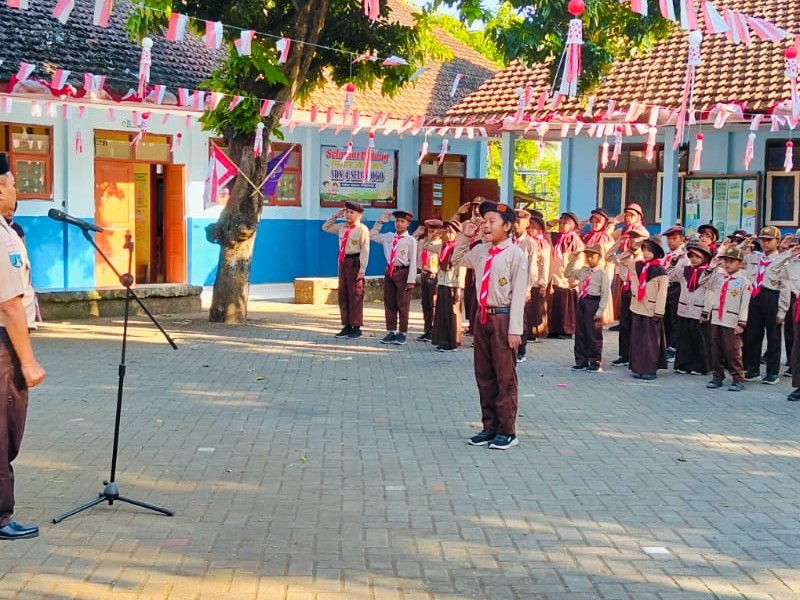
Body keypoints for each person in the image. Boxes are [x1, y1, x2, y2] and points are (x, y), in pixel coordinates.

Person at [454, 201, 528, 450]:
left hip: (503, 318)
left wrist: (515, 329)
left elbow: (519, 294)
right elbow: (457, 259)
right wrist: (465, 236)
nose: (485, 226)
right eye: (484, 221)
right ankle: (489, 427)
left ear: (507, 226)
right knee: (484, 374)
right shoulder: (481, 251)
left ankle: (507, 431)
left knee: (504, 376)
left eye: (492, 221)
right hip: (482, 316)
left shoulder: (515, 254)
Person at [0, 152, 46, 539]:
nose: (17, 191)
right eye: (13, 184)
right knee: (4, 432)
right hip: (3, 345)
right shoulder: (2, 237)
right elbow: (10, 305)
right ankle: (1, 517)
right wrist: (28, 362)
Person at [742, 226, 789, 384]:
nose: (765, 243)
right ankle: (752, 369)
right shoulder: (754, 257)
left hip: (772, 297)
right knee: (753, 335)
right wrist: (744, 244)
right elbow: (736, 256)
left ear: (778, 242)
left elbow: (785, 287)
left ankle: (772, 372)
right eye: (762, 240)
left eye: (769, 240)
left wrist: (782, 310)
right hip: (755, 296)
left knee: (773, 336)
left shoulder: (782, 261)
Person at [701, 246, 752, 392]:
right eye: (726, 261)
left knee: (733, 351)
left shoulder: (743, 282)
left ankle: (738, 378)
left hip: (732, 321)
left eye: (732, 261)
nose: (728, 264)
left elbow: (744, 305)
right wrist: (711, 267)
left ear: (740, 263)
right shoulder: (718, 278)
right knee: (715, 350)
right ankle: (717, 376)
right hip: (717, 318)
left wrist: (741, 323)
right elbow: (702, 282)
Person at [621, 237, 668, 380]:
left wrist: (659, 311)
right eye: (644, 250)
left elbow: (662, 293)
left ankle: (650, 369)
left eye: (649, 251)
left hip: (651, 310)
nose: (646, 253)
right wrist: (632, 249)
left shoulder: (660, 271)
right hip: (637, 307)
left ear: (656, 253)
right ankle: (637, 367)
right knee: (637, 340)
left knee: (650, 342)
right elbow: (621, 260)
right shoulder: (638, 266)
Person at [322, 201, 370, 339]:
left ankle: (356, 327)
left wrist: (362, 270)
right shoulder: (342, 227)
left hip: (355, 261)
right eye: (347, 212)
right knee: (343, 294)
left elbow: (365, 250)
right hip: (343, 261)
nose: (348, 215)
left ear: (359, 215)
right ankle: (346, 325)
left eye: (352, 212)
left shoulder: (362, 229)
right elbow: (325, 227)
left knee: (355, 294)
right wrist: (335, 216)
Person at [370, 209, 417, 345]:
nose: (399, 224)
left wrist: (411, 279)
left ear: (408, 224)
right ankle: (391, 331)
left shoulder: (410, 240)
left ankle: (402, 333)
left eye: (402, 221)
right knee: (389, 303)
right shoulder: (389, 237)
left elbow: (413, 261)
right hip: (390, 271)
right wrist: (380, 222)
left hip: (403, 272)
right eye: (397, 221)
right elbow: (371, 236)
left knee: (402, 304)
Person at [565, 244, 610, 373]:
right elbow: (567, 273)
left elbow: (605, 293)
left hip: (594, 302)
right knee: (580, 332)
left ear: (599, 257)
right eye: (587, 256)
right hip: (582, 301)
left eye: (592, 256)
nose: (589, 258)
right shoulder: (583, 271)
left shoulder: (602, 273)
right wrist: (573, 259)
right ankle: (581, 360)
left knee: (593, 333)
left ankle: (595, 361)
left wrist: (600, 310)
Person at [671, 241, 712, 375]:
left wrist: (706, 312)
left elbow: (710, 294)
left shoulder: (708, 273)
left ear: (705, 258)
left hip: (699, 311)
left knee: (699, 340)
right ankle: (684, 364)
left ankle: (700, 366)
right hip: (684, 310)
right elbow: (669, 274)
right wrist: (675, 261)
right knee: (684, 339)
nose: (694, 259)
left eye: (697, 256)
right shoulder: (685, 270)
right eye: (691, 256)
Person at [606, 230, 645, 367]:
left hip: (638, 292)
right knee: (624, 325)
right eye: (631, 240)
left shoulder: (644, 258)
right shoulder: (625, 257)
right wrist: (619, 243)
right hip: (626, 291)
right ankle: (624, 355)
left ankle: (635, 355)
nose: (634, 243)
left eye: (637, 240)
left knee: (636, 324)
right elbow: (608, 257)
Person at [430, 220, 466, 352]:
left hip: (453, 284)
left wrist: (459, 288)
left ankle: (453, 342)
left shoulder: (459, 248)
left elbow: (462, 268)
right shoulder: (443, 246)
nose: (449, 235)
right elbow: (427, 246)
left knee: (452, 314)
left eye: (451, 232)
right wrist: (435, 236)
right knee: (442, 313)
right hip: (443, 282)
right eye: (447, 232)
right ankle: (443, 340)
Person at [547, 212, 584, 339]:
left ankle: (566, 330)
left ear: (573, 225)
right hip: (555, 276)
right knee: (555, 304)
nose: (562, 226)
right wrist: (550, 224)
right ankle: (553, 329)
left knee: (566, 306)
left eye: (565, 223)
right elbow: (542, 233)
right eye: (560, 223)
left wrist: (574, 278)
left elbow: (579, 260)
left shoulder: (575, 241)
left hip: (566, 279)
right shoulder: (555, 237)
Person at [513, 208, 536, 363]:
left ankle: (521, 350)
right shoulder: (507, 240)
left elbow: (532, 268)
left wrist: (528, 288)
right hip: (507, 286)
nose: (515, 225)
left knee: (520, 319)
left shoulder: (529, 243)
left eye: (519, 222)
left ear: (527, 224)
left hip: (521, 286)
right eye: (514, 221)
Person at [414, 219, 442, 342]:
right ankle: (427, 329)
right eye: (429, 231)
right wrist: (417, 233)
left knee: (433, 303)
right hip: (424, 274)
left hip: (434, 275)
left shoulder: (440, 245)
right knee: (425, 303)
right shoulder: (423, 242)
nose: (431, 233)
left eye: (434, 231)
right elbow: (409, 242)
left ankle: (434, 330)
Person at [661, 225, 686, 362]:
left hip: (677, 287)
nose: (670, 241)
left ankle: (674, 348)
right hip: (665, 288)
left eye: (674, 238)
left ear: (681, 239)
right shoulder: (667, 255)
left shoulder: (684, 255)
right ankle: (667, 345)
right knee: (666, 318)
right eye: (669, 239)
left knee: (675, 319)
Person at [528, 215, 551, 341]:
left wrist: (543, 283)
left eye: (534, 228)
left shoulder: (543, 245)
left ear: (540, 229)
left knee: (535, 308)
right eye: (529, 227)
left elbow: (545, 265)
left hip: (536, 280)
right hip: (525, 280)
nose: (530, 230)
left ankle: (534, 333)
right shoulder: (525, 242)